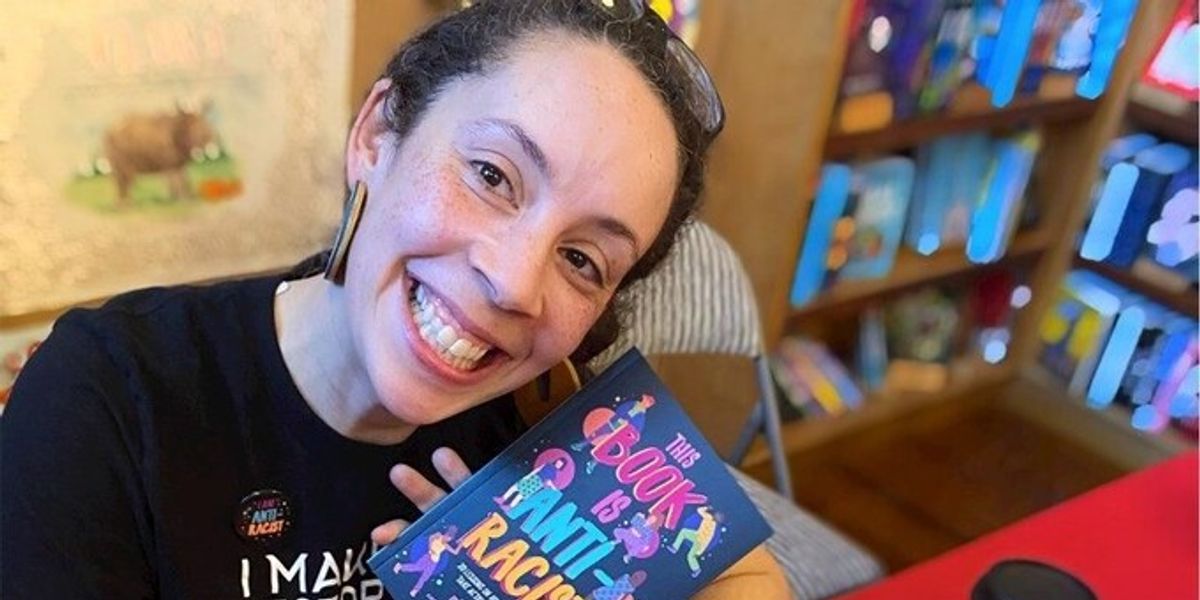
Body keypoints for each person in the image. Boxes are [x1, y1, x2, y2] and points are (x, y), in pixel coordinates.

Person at [1, 1, 789, 598]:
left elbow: (749, 579)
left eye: (583, 259)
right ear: (377, 135)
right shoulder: (104, 399)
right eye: (492, 175)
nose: (515, 283)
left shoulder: (548, 425)